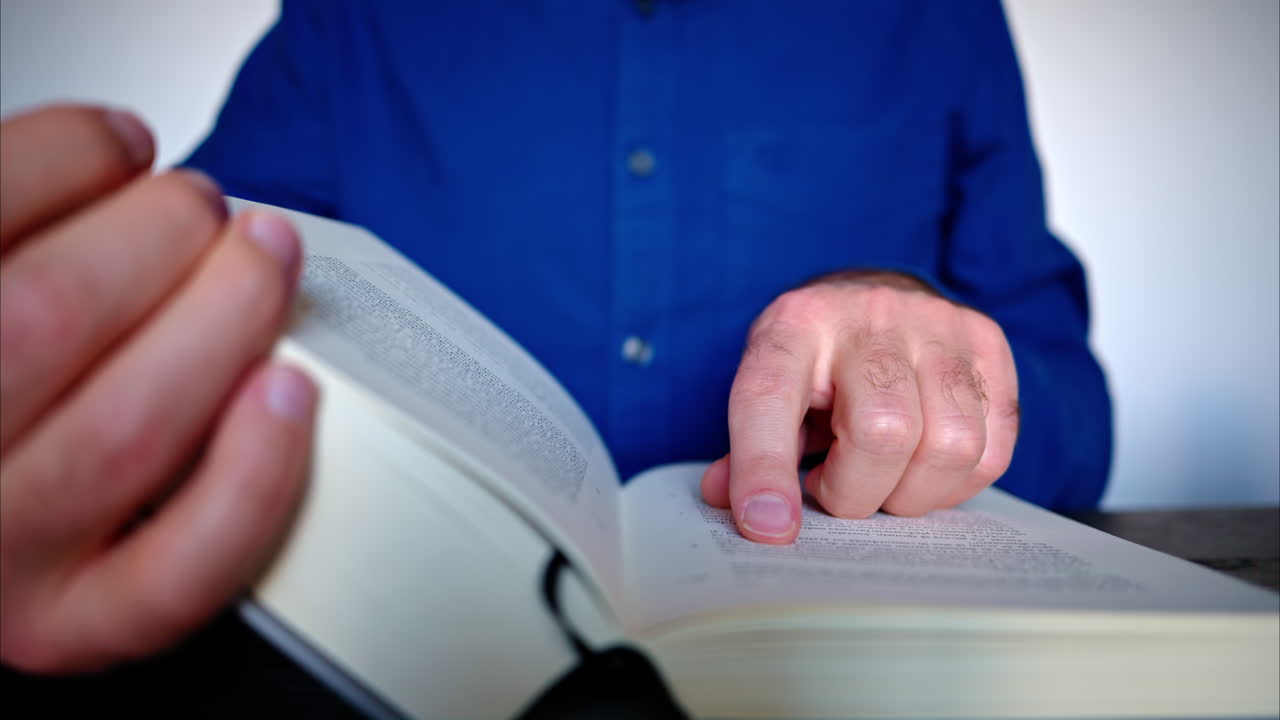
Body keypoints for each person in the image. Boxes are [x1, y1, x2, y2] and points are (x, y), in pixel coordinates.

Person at [0, 1, 1110, 675]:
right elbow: (196, 297)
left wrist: (939, 385)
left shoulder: (939, 14)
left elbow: (1066, 401)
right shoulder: (361, 17)